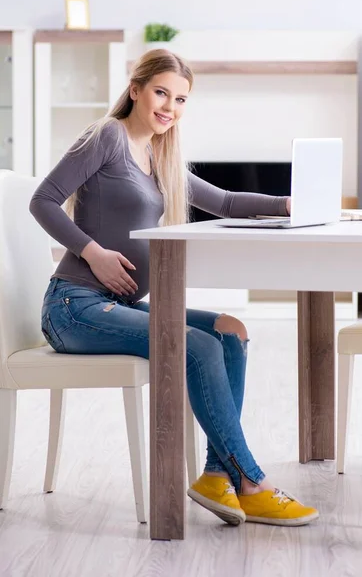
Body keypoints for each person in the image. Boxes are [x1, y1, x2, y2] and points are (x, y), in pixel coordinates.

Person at [30, 48, 318, 527]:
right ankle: (251, 480)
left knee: (230, 330)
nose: (169, 107)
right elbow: (44, 201)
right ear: (136, 89)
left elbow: (223, 201)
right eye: (161, 93)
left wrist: (291, 203)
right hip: (73, 307)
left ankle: (214, 476)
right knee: (195, 346)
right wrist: (92, 252)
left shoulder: (158, 154)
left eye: (181, 99)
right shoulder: (106, 137)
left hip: (114, 304)